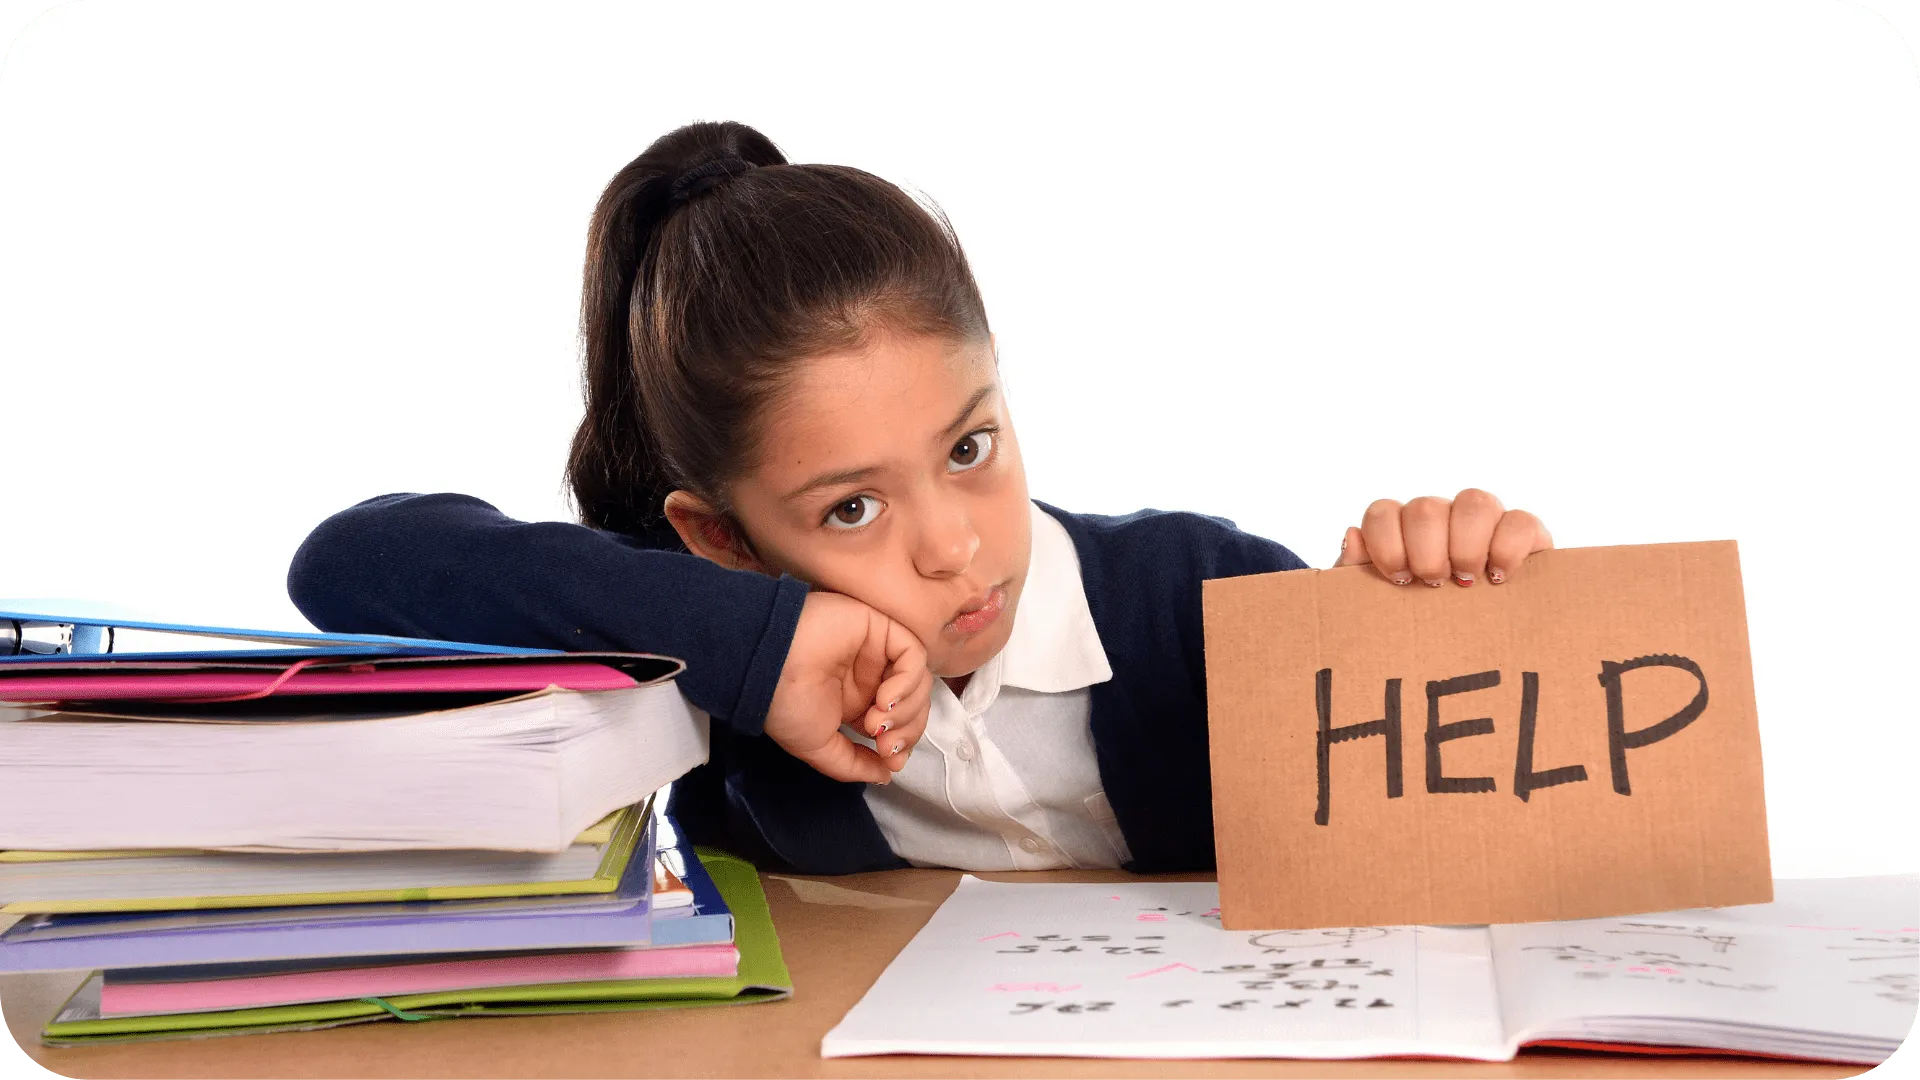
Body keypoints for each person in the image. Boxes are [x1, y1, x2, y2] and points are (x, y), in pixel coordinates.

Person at [288, 120, 1552, 875]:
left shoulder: (1201, 598)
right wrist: (758, 646)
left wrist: (1457, 601)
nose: (955, 546)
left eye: (968, 448)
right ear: (719, 539)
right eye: (852, 508)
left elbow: (1487, 827)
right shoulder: (722, 668)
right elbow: (348, 561)